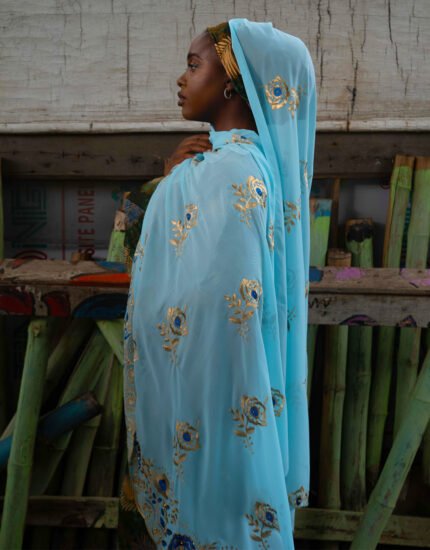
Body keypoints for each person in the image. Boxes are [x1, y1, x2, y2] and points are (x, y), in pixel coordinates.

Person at [120, 18, 316, 549]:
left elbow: (222, 301)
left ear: (233, 83)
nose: (181, 79)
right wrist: (172, 178)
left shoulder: (228, 171)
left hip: (215, 386)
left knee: (214, 512)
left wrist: (166, 182)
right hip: (224, 385)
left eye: (193, 65)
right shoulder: (230, 164)